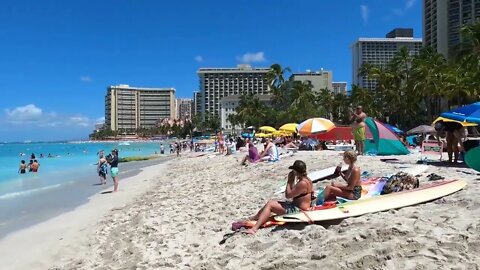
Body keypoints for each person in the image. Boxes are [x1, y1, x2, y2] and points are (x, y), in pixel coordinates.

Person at [243, 160, 313, 234]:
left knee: (270, 205)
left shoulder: (302, 183)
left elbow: (288, 195)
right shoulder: (307, 180)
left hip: (299, 210)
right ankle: (255, 217)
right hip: (299, 207)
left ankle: (254, 229)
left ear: (296, 171)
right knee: (271, 202)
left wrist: (289, 181)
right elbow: (293, 192)